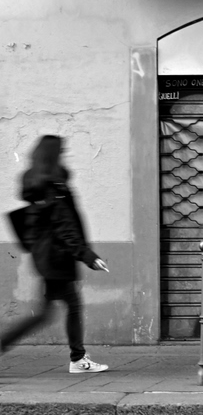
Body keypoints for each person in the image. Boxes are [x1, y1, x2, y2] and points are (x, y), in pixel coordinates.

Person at [1, 135, 109, 373]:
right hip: (58, 258)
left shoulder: (37, 185)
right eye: (62, 151)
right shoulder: (54, 188)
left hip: (46, 257)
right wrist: (89, 256)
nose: (65, 154)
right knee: (70, 306)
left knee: (46, 313)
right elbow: (64, 228)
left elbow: (38, 228)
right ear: (53, 155)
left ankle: (78, 358)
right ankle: (78, 359)